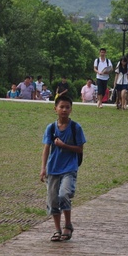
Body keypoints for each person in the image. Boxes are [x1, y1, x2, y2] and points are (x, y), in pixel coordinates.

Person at [39, 96, 86, 242]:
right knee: (53, 200)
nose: (64, 110)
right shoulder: (51, 128)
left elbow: (80, 149)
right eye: (61, 107)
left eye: (67, 107)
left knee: (64, 194)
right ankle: (57, 229)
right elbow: (46, 148)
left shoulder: (75, 128)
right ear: (55, 109)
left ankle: (68, 225)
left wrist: (64, 145)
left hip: (69, 168)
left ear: (71, 109)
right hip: (53, 168)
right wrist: (43, 168)